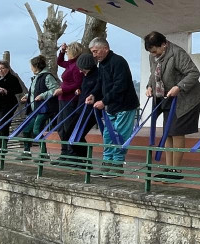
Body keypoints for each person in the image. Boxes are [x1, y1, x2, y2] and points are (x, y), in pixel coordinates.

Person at [144, 31, 200, 179]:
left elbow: (193, 73)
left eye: (155, 50)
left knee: (176, 132)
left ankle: (176, 171)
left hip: (184, 97)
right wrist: (149, 86)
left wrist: (179, 87)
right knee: (167, 133)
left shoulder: (177, 53)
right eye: (151, 52)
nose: (153, 54)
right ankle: (168, 168)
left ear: (164, 44)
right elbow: (153, 74)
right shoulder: (153, 56)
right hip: (166, 99)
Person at [85, 37, 140, 177]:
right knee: (108, 135)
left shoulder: (118, 62)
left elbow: (120, 85)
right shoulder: (102, 64)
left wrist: (104, 101)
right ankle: (106, 163)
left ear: (105, 49)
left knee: (119, 135)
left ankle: (117, 165)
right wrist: (93, 95)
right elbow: (101, 83)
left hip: (125, 106)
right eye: (92, 52)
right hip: (111, 106)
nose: (94, 55)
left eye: (96, 51)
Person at [18, 55, 59, 161]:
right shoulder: (36, 77)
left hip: (44, 109)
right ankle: (26, 152)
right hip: (34, 109)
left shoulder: (47, 76)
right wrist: (27, 96)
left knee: (37, 129)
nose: (31, 68)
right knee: (26, 129)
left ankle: (44, 153)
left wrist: (43, 95)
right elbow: (35, 90)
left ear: (36, 66)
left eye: (31, 66)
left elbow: (55, 89)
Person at [52, 42, 85, 162]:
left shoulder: (76, 66)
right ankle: (64, 152)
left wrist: (63, 89)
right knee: (60, 126)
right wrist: (61, 51)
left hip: (70, 99)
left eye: (68, 51)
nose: (66, 53)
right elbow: (59, 62)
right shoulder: (70, 64)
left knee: (67, 127)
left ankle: (71, 154)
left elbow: (77, 83)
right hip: (63, 99)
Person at [68, 52, 99, 165]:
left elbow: (98, 90)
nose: (80, 71)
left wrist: (93, 96)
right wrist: (79, 90)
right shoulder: (86, 76)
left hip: (91, 111)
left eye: (82, 69)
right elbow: (84, 87)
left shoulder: (97, 75)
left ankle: (85, 159)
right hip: (81, 108)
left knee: (78, 134)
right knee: (70, 131)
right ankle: (80, 157)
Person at [0, 60, 23, 152]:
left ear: (7, 69)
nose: (1, 71)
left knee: (3, 125)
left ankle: (2, 146)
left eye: (2, 68)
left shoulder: (12, 78)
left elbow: (19, 90)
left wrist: (6, 91)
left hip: (8, 104)